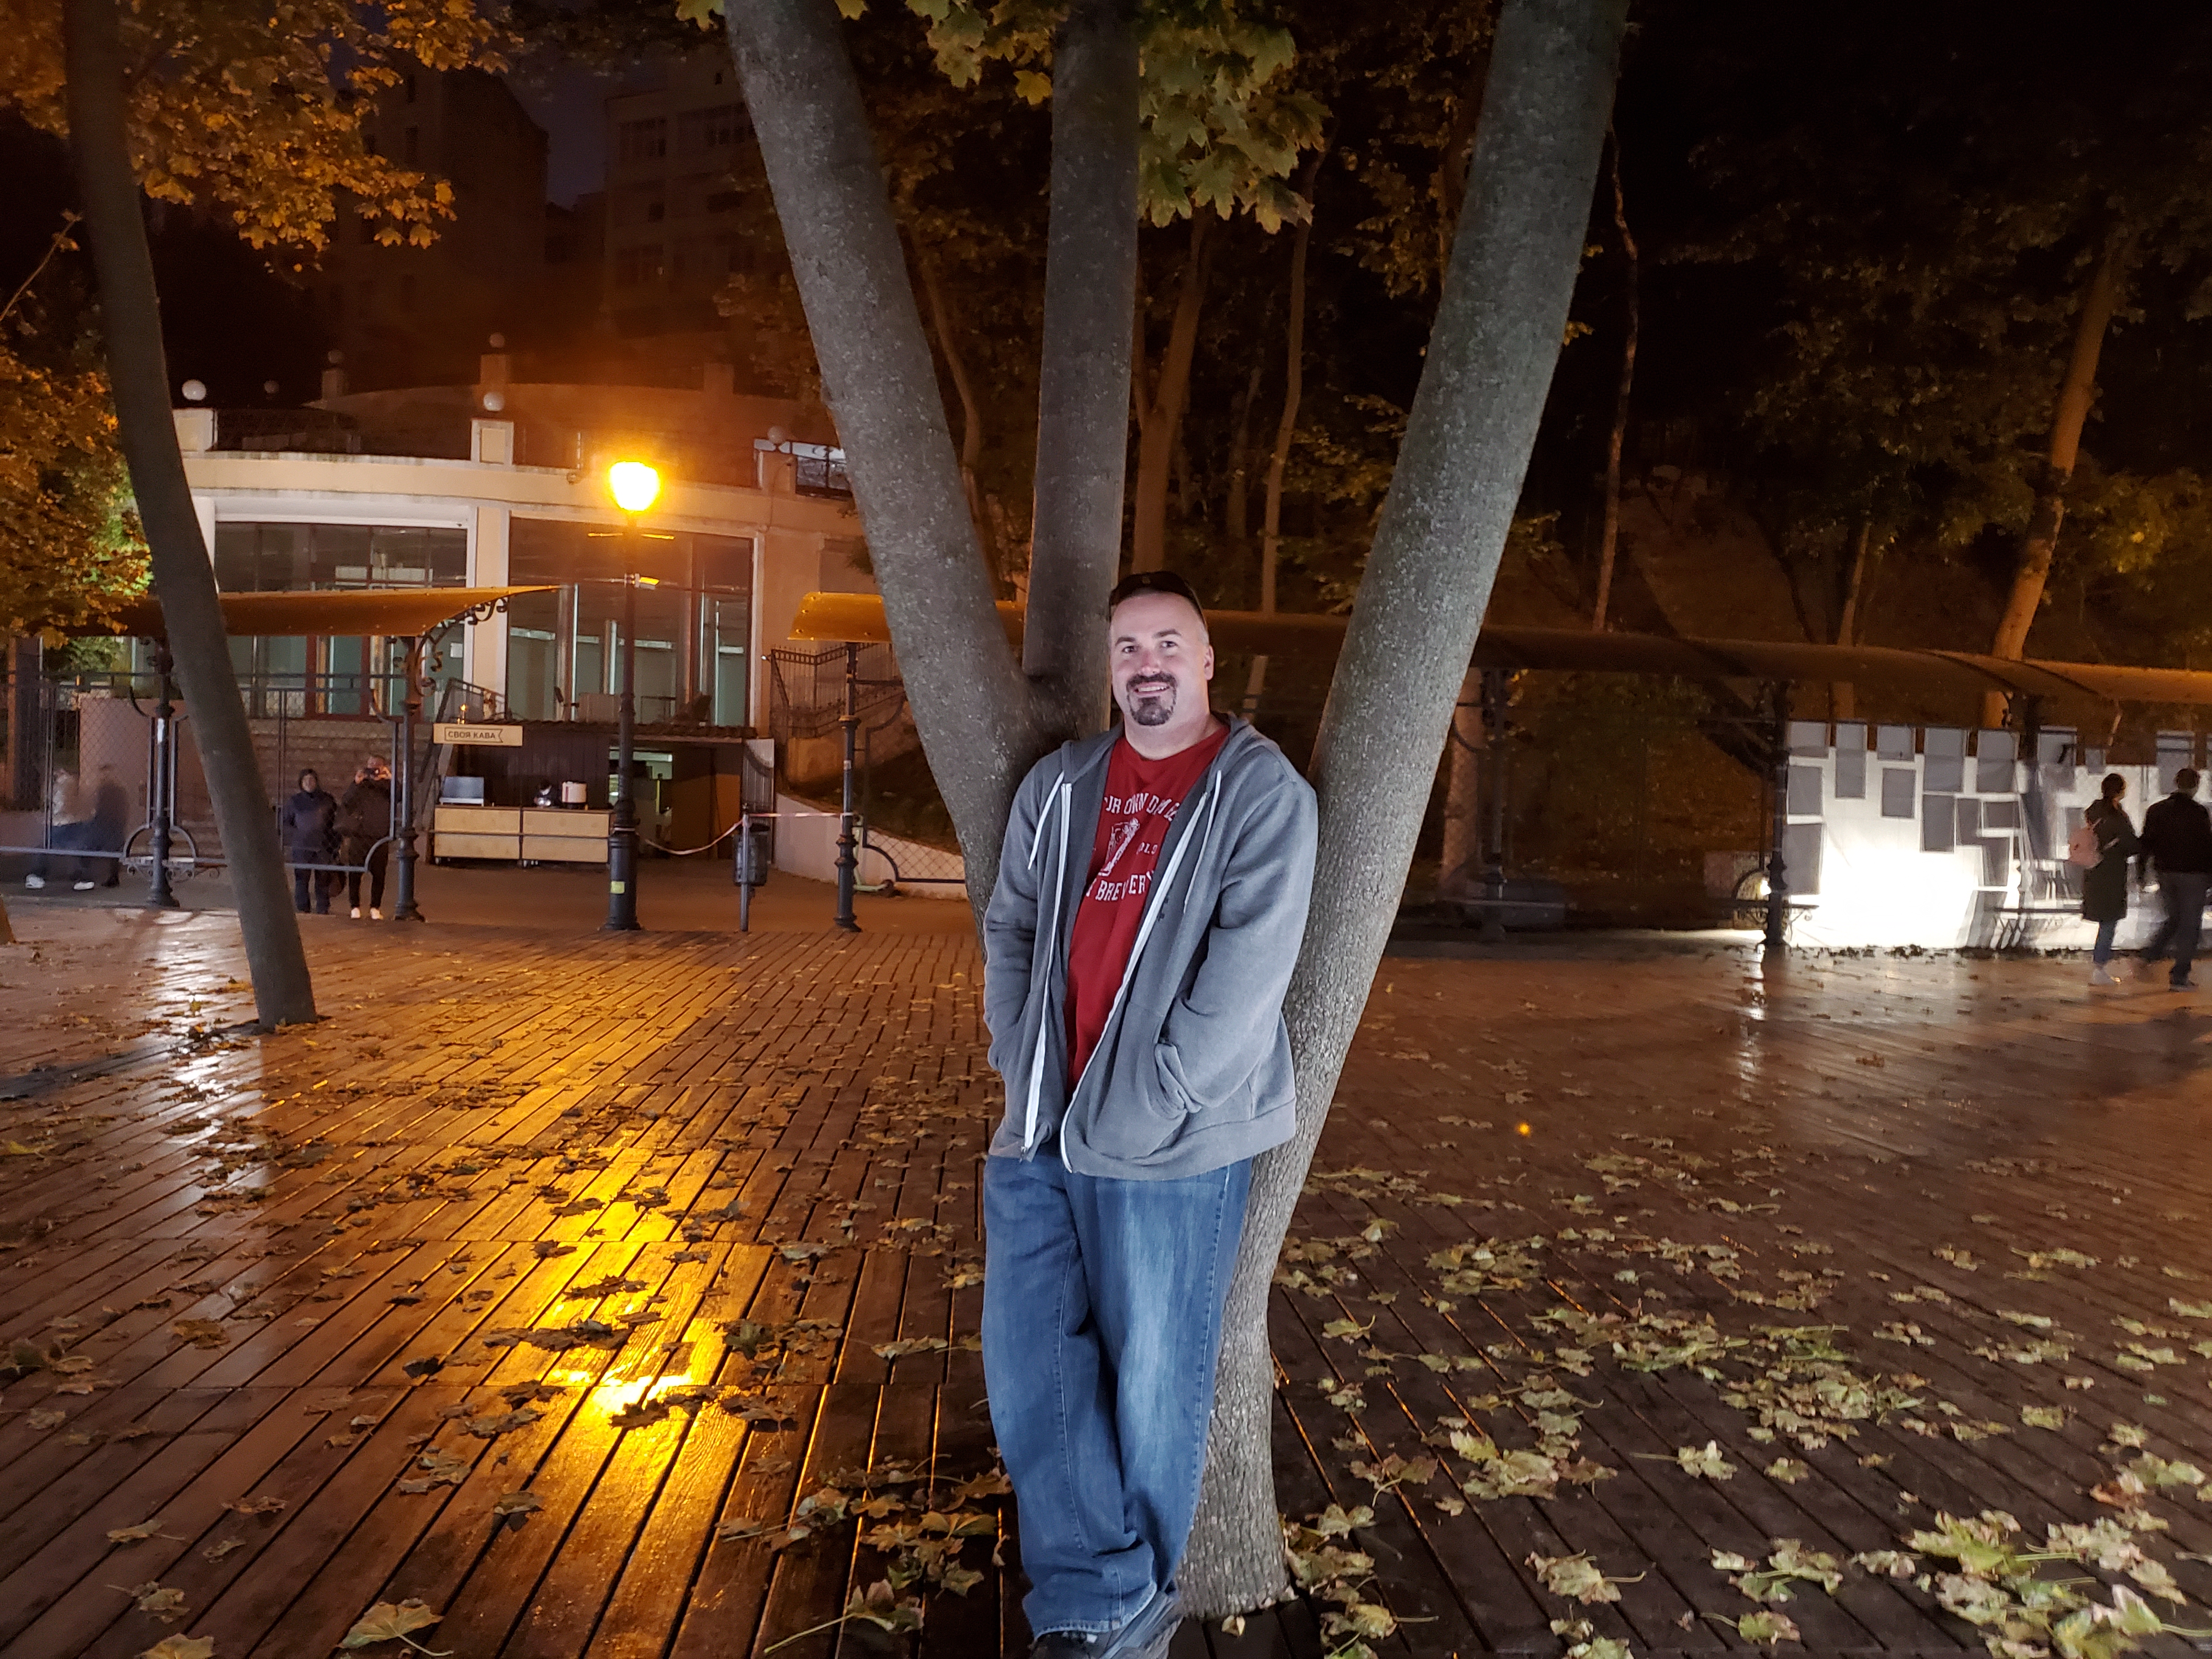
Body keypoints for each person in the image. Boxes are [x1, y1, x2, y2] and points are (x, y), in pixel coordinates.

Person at [981, 571, 1318, 1659]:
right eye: (1127, 649)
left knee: (1152, 1389)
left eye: (1168, 642)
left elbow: (1248, 976)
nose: (1146, 665)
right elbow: (1014, 922)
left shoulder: (1257, 794)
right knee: (1032, 1369)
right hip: (1042, 1122)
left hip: (1172, 1145)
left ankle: (1111, 1627)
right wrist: (1014, 1053)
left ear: (1209, 661)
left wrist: (1159, 1097)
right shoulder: (1066, 785)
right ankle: (1106, 1596)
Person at [2136, 766, 2212, 989]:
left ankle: (2151, 954)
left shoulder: (2157, 810)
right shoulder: (2199, 813)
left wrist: (2141, 872)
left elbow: (2146, 842)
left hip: (2166, 872)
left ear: (2176, 783)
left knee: (2176, 917)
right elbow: (2206, 845)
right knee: (2190, 925)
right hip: (2194, 874)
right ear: (2196, 786)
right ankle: (2179, 976)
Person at [2080, 772, 2138, 986]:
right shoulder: (2117, 817)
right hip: (2112, 873)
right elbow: (2131, 844)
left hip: (2094, 871)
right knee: (2109, 922)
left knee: (2105, 921)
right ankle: (2099, 967)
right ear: (2121, 791)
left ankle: (2100, 966)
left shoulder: (2093, 812)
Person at [338, 757, 393, 920]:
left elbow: (400, 797)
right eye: (371, 766)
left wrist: (389, 779)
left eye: (377, 767)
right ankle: (355, 906)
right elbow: (347, 802)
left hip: (380, 836)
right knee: (355, 873)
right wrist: (356, 783)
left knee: (379, 874)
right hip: (361, 835)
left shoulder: (387, 787)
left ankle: (375, 907)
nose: (374, 770)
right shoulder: (362, 785)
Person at [26, 768, 96, 891]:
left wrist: (52, 812)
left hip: (60, 822)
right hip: (67, 821)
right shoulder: (70, 782)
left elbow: (61, 804)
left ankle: (37, 875)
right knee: (75, 848)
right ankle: (83, 877)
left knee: (46, 847)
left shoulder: (63, 783)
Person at [281, 768, 340, 915]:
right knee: (302, 879)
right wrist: (298, 835)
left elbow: (335, 822)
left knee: (323, 878)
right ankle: (303, 908)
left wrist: (334, 843)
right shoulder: (295, 802)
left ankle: (322, 908)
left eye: (312, 780)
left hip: (323, 845)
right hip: (302, 847)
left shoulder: (327, 800)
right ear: (301, 783)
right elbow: (285, 821)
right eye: (305, 780)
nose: (309, 783)